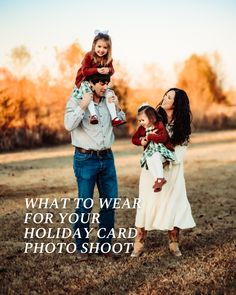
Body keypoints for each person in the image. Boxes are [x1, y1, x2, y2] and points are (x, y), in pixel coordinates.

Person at [64, 73, 126, 261]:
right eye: (100, 82)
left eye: (107, 82)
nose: (104, 86)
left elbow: (121, 121)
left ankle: (105, 246)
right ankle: (82, 248)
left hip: (107, 157)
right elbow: (68, 125)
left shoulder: (109, 98)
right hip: (85, 158)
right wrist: (83, 105)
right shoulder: (76, 99)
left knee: (109, 203)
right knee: (85, 204)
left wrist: (117, 105)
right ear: (90, 83)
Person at [131, 88, 196, 258]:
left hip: (172, 169)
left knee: (173, 203)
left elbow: (181, 149)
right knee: (146, 203)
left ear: (177, 104)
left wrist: (169, 160)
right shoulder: (152, 116)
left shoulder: (181, 125)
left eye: (170, 97)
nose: (165, 99)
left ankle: (174, 242)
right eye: (165, 96)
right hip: (152, 170)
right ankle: (139, 241)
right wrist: (143, 142)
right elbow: (141, 136)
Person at [74, 29, 126, 126]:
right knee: (88, 94)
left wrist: (108, 70)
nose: (101, 50)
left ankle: (114, 118)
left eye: (105, 47)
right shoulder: (89, 56)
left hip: (98, 82)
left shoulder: (108, 58)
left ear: (108, 49)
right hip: (84, 80)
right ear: (94, 45)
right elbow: (84, 71)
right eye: (99, 46)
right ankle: (93, 116)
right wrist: (97, 70)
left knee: (109, 93)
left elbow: (112, 70)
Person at [132, 104, 175, 192]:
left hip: (162, 150)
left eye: (143, 120)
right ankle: (158, 180)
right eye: (139, 120)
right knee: (149, 159)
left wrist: (150, 136)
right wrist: (141, 142)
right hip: (150, 151)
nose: (141, 122)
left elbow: (164, 138)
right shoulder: (141, 128)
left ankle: (160, 178)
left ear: (151, 118)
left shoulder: (159, 125)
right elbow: (134, 139)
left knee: (155, 156)